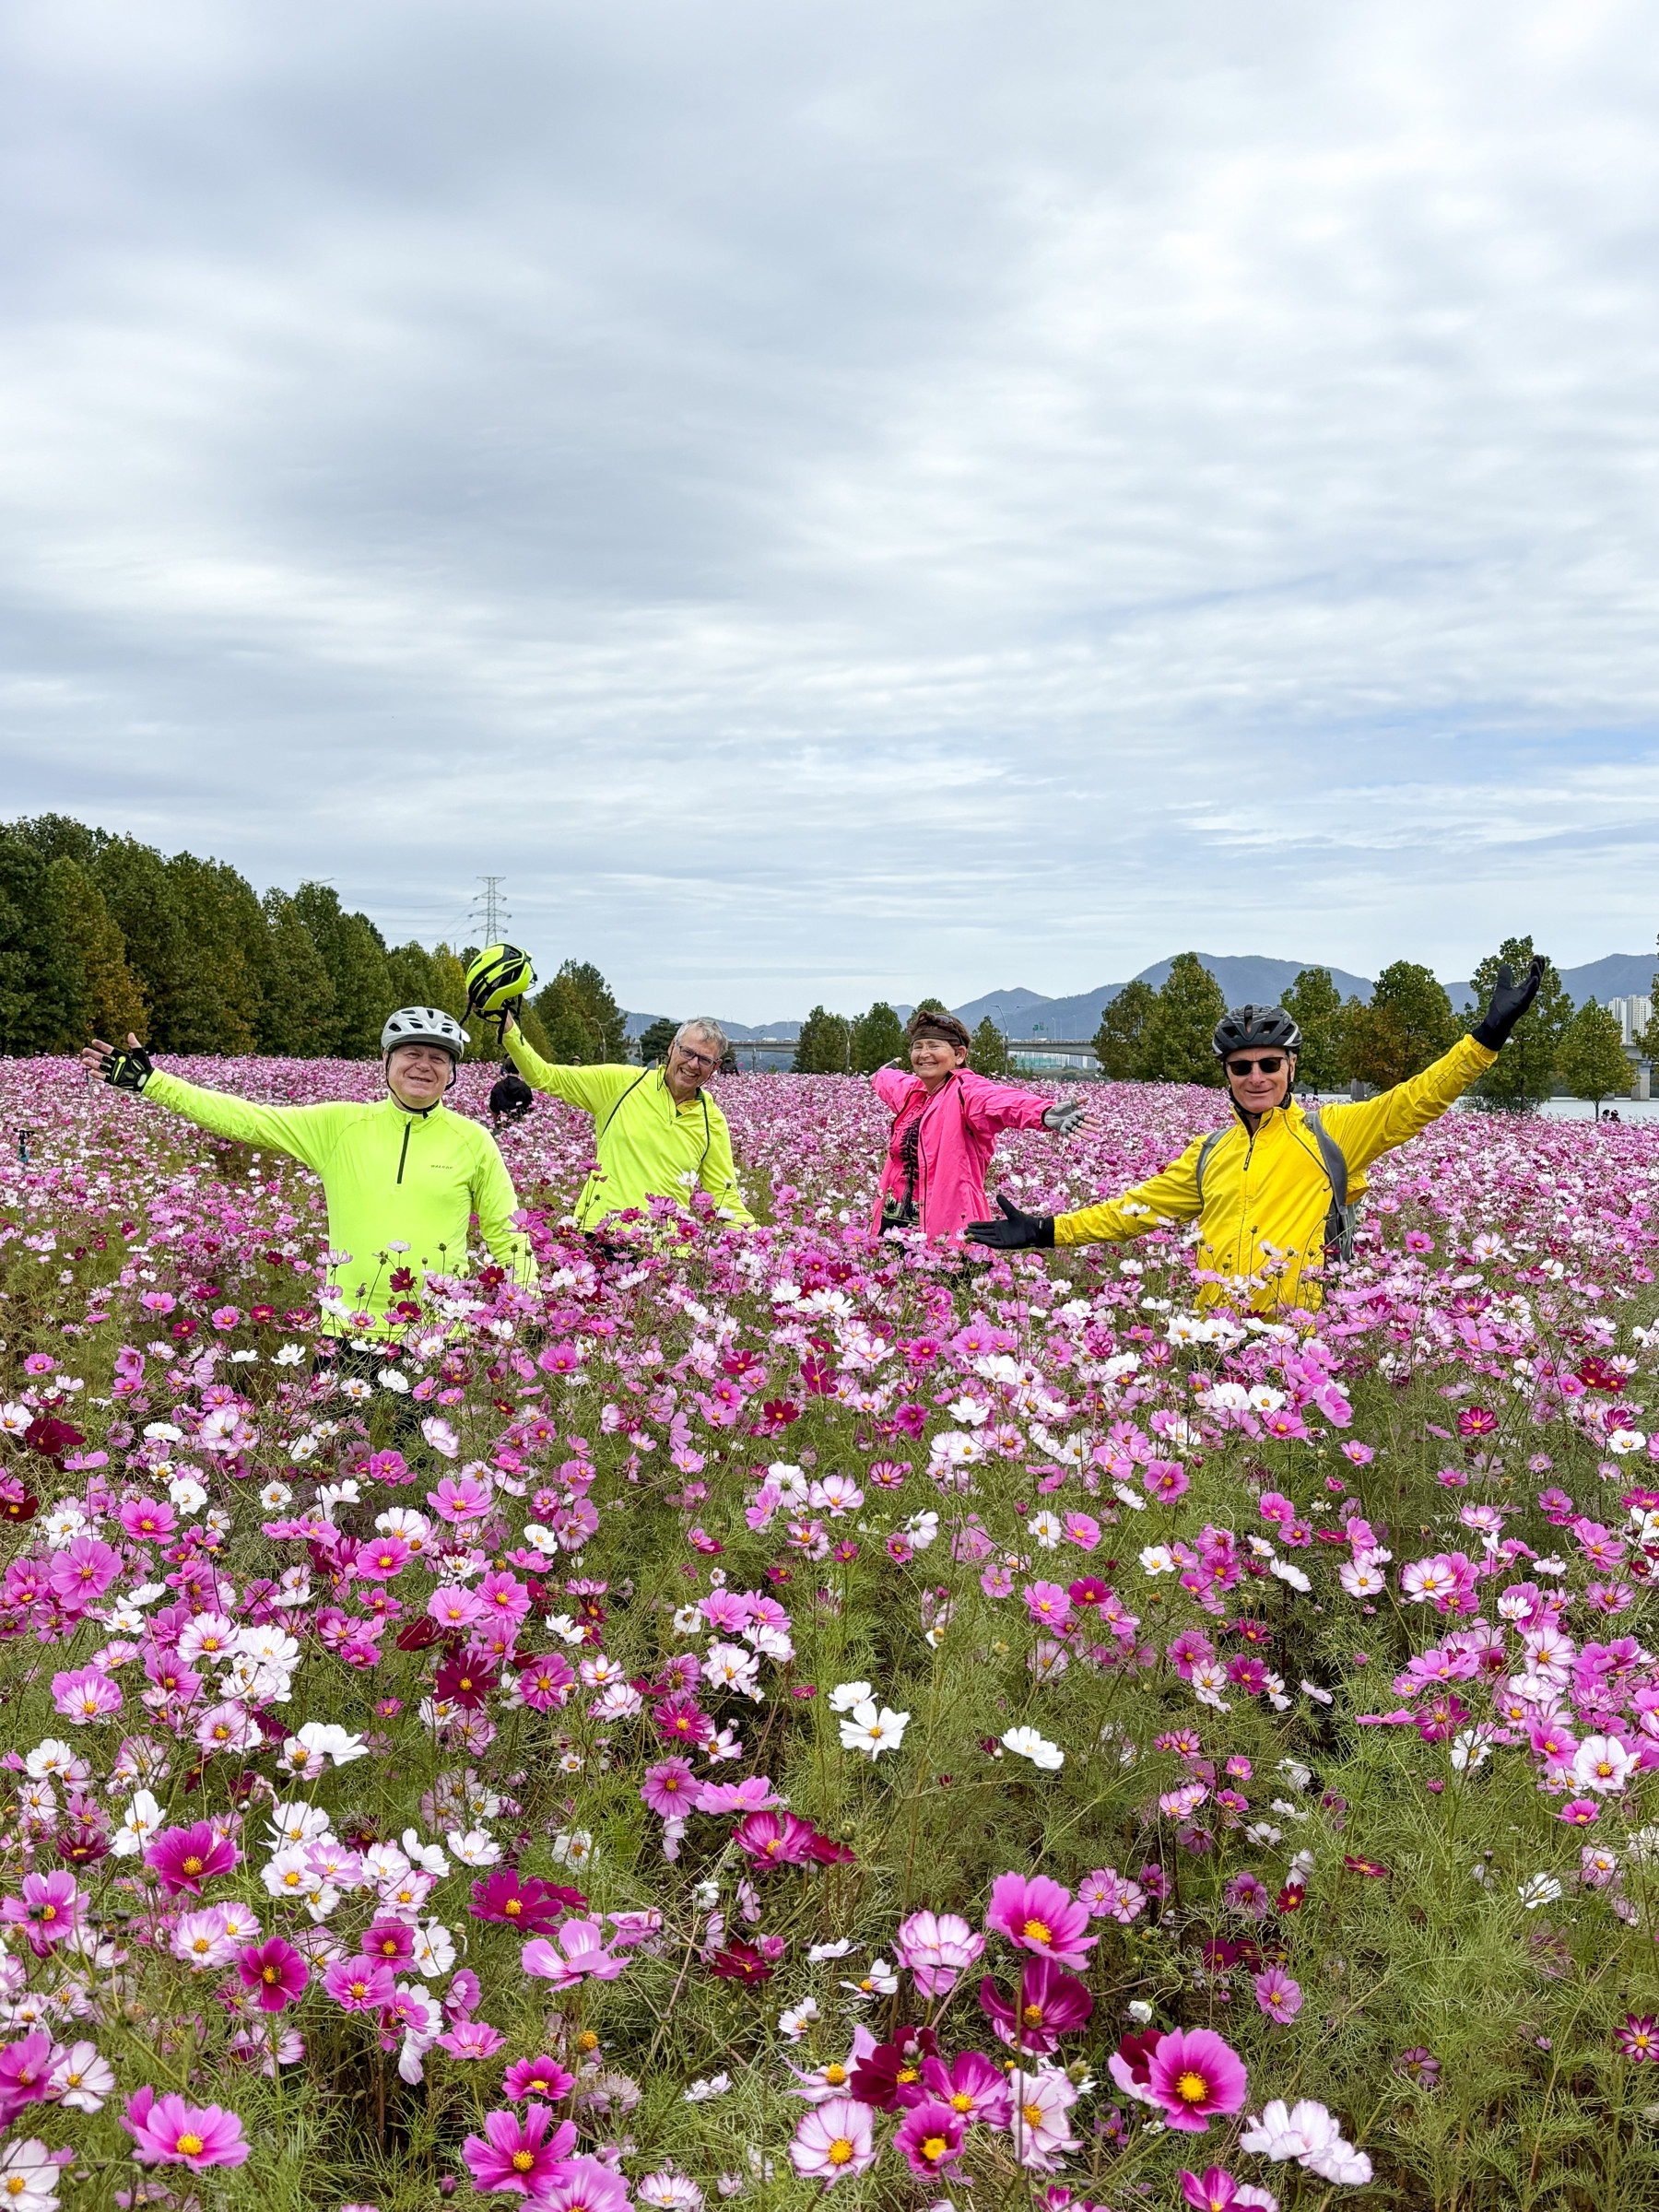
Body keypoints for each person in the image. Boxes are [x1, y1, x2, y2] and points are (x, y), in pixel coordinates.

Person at [967, 959, 1544, 1311]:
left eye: (1270, 1064)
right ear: (1226, 1074)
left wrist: (1488, 1035)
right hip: (1215, 1338)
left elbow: (1420, 1097)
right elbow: (1133, 1212)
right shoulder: (1209, 1152)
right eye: (1241, 1067)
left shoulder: (1336, 1133)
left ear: (1292, 1067)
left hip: (1303, 1338)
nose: (1256, 1077)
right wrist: (1043, 1230)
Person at [78, 1008, 536, 1339]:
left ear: (452, 1072)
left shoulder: (474, 1141)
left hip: (437, 1335)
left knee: (420, 1466)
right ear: (386, 1062)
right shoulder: (339, 1125)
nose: (423, 1066)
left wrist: (530, 1310)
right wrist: (153, 1083)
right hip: (344, 1326)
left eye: (439, 1058)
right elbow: (248, 1119)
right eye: (411, 1053)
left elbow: (506, 1233)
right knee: (340, 1466)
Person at [500, 1011, 753, 1231]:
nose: (693, 1064)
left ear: (716, 1066)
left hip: (666, 1252)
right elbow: (545, 1076)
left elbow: (724, 1198)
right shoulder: (622, 1083)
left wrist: (775, 1251)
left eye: (705, 1060)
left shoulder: (712, 1120)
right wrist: (507, 1025)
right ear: (671, 1047)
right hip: (600, 1236)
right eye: (687, 1052)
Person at [871, 1008, 1086, 1241]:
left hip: (948, 1235)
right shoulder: (914, 1093)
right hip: (892, 1226)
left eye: (934, 1046)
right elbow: (893, 1083)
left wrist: (1042, 1112)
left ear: (959, 1055)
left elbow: (999, 1101)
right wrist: (881, 1075)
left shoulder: (966, 1091)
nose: (924, 1054)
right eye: (918, 1046)